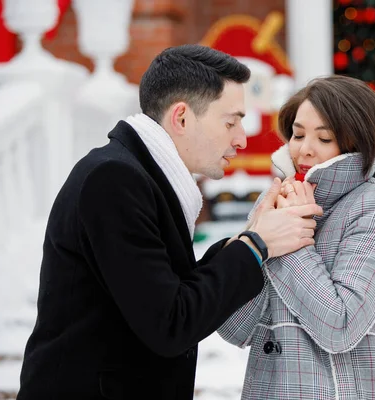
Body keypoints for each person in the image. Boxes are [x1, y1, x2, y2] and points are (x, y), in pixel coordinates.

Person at [17, 44, 322, 400]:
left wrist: (250, 235)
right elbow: (170, 323)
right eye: (231, 121)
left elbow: (172, 293)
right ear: (181, 118)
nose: (241, 138)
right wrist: (255, 246)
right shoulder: (114, 180)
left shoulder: (139, 175)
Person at [218, 75, 375, 400]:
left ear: (353, 142)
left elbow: (341, 326)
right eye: (298, 134)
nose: (304, 150)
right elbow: (236, 327)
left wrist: (289, 235)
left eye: (324, 138)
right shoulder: (280, 199)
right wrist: (256, 235)